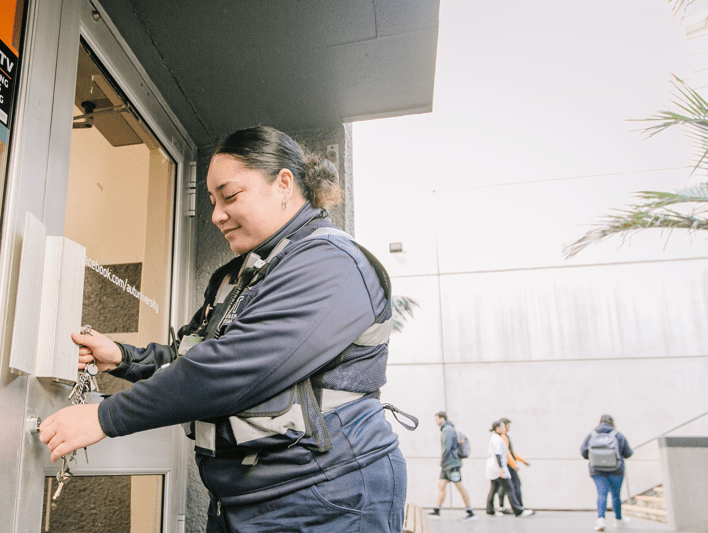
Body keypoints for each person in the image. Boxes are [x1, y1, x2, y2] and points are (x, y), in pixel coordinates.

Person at [38, 125, 408, 533]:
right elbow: (192, 357)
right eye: (213, 202)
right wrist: (123, 358)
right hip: (245, 502)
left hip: (327, 500)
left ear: (283, 183)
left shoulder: (332, 265)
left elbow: (234, 368)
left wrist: (105, 417)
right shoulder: (243, 273)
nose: (216, 215)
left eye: (230, 197)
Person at [580, 415, 633, 531]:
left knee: (601, 494)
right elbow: (628, 453)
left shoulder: (592, 435)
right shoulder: (617, 435)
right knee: (616, 495)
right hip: (616, 470)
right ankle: (618, 520)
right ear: (612, 423)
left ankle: (600, 520)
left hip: (597, 470)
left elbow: (583, 453)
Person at [429, 411, 475, 521]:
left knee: (459, 486)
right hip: (447, 465)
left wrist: (442, 462)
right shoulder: (447, 429)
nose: (436, 422)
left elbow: (447, 448)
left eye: (437, 419)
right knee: (441, 485)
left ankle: (470, 512)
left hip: (452, 464)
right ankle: (437, 509)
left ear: (442, 419)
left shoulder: (447, 430)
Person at [485, 420, 534, 518]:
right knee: (510, 488)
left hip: (493, 468)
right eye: (503, 427)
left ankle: (490, 509)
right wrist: (502, 468)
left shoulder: (494, 438)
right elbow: (500, 454)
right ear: (498, 428)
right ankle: (518, 511)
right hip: (498, 468)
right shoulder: (499, 439)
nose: (505, 429)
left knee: (494, 488)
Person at [497, 417, 530, 511]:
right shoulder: (503, 437)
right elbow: (507, 453)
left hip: (506, 465)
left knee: (502, 487)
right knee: (515, 485)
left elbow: (511, 452)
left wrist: (522, 460)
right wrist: (514, 465)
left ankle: (502, 506)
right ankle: (519, 506)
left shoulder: (503, 437)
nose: (508, 427)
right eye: (507, 425)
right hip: (508, 465)